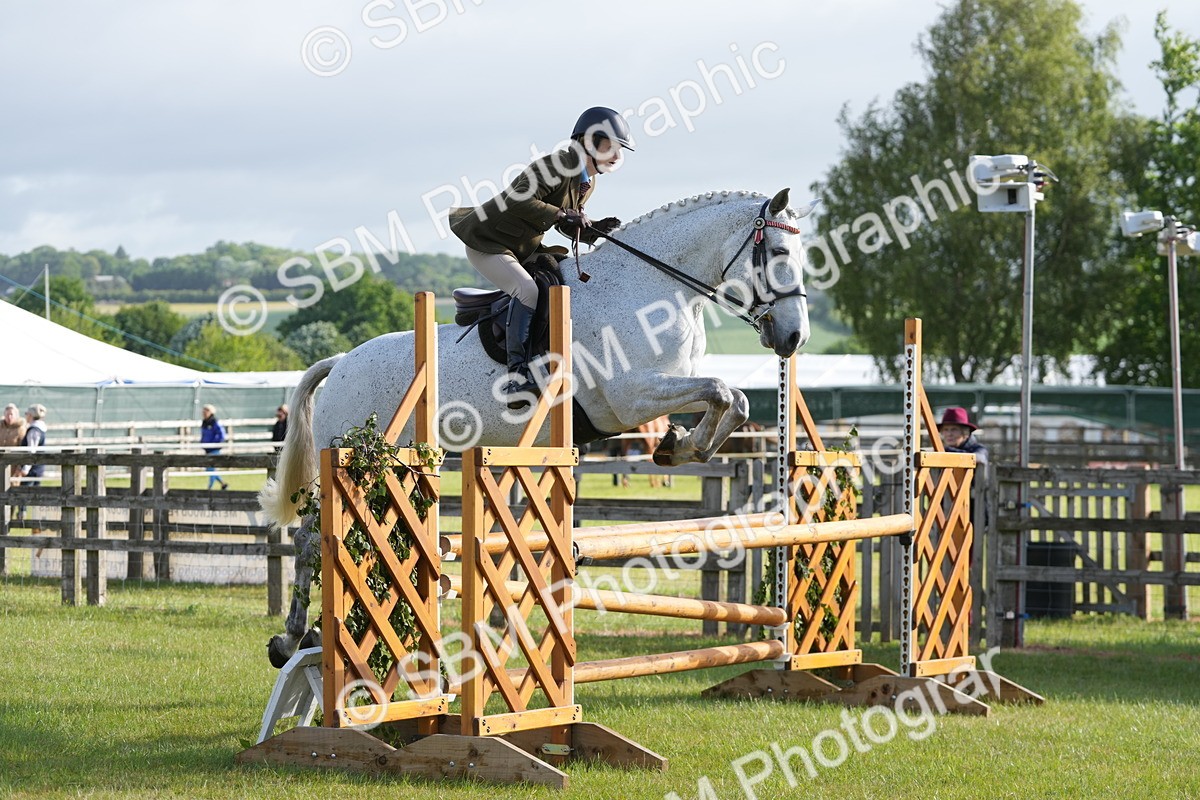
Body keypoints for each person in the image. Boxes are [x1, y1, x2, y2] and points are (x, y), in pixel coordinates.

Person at [448, 106, 634, 409]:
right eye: (611, 146)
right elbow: (517, 198)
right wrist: (563, 213)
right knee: (527, 290)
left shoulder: (588, 181)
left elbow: (565, 222)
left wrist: (594, 230)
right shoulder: (557, 164)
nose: (617, 156)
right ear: (589, 141)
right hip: (489, 242)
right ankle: (517, 376)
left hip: (522, 245)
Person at [200, 404, 229, 490]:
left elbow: (221, 435)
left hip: (214, 449)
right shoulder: (204, 423)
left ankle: (210, 488)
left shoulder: (215, 422)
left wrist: (214, 443)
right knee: (209, 469)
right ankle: (223, 484)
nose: (204, 412)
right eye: (204, 410)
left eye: (207, 410)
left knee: (211, 469)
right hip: (207, 449)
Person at [18, 404, 47, 487]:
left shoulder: (34, 430)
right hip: (37, 468)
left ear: (30, 415)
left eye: (26, 414)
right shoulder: (39, 428)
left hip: (32, 469)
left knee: (25, 494)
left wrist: (25, 469)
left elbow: (31, 451)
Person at [1, 404, 26, 483]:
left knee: (12, 488)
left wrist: (20, 467)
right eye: (7, 414)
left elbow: (23, 448)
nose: (9, 417)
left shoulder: (21, 429)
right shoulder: (1, 427)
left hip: (13, 465)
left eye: (11, 414)